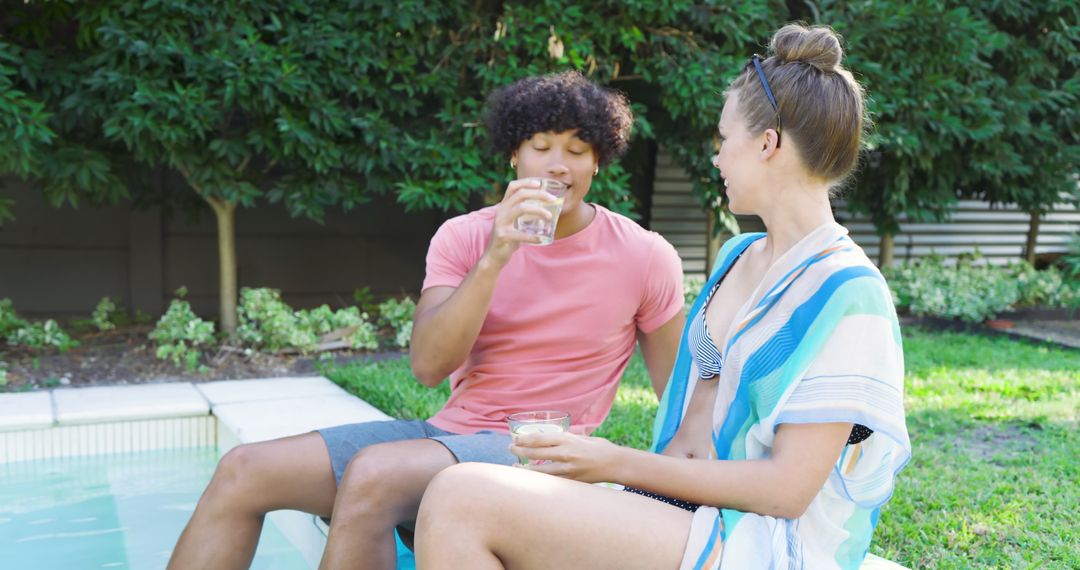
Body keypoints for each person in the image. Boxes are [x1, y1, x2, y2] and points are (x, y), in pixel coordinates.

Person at [413, 24, 911, 570]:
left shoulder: (848, 292)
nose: (717, 158)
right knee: (468, 495)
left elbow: (786, 491)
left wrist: (612, 463)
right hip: (669, 509)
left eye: (724, 139)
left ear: (767, 144)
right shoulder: (739, 255)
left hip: (758, 538)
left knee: (462, 497)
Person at [167, 71, 686, 569]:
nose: (557, 166)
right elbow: (428, 367)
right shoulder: (464, 237)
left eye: (576, 150)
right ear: (514, 154)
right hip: (445, 435)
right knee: (243, 470)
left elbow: (681, 400)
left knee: (374, 474)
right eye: (541, 146)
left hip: (540, 451)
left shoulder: (644, 256)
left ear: (598, 162)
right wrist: (495, 257)